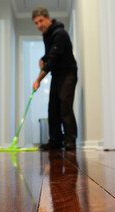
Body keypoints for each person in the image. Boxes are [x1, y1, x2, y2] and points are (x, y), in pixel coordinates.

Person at [32, 7, 78, 151]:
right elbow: (49, 54)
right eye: (36, 23)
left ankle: (70, 141)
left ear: (48, 18)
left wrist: (38, 79)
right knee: (53, 108)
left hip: (68, 73)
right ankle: (55, 142)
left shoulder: (60, 34)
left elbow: (53, 59)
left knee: (65, 105)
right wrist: (42, 58)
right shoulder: (46, 35)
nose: (39, 25)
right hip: (57, 75)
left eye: (40, 21)